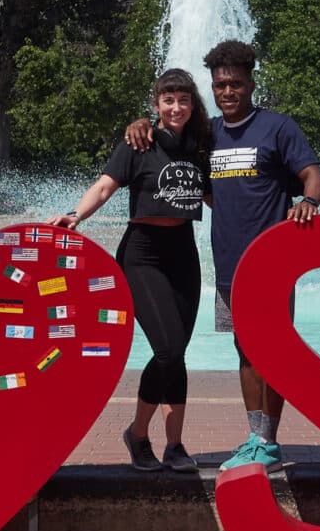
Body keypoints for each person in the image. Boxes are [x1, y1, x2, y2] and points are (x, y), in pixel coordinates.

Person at [127, 40, 320, 473]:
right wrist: (141, 123)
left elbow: (313, 174)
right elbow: (170, 135)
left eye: (236, 83)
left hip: (273, 262)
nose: (228, 91)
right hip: (230, 265)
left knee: (274, 351)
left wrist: (309, 201)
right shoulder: (209, 134)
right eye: (220, 85)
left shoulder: (277, 128)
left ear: (251, 84)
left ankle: (268, 441)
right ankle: (256, 437)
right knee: (245, 348)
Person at [51, 69, 211, 473]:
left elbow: (218, 196)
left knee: (177, 354)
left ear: (193, 104)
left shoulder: (198, 147)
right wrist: (76, 215)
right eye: (168, 100)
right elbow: (105, 186)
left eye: (184, 100)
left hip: (184, 255)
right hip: (143, 255)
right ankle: (138, 434)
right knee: (167, 349)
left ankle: (175, 446)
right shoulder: (139, 142)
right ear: (156, 104)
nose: (176, 107)